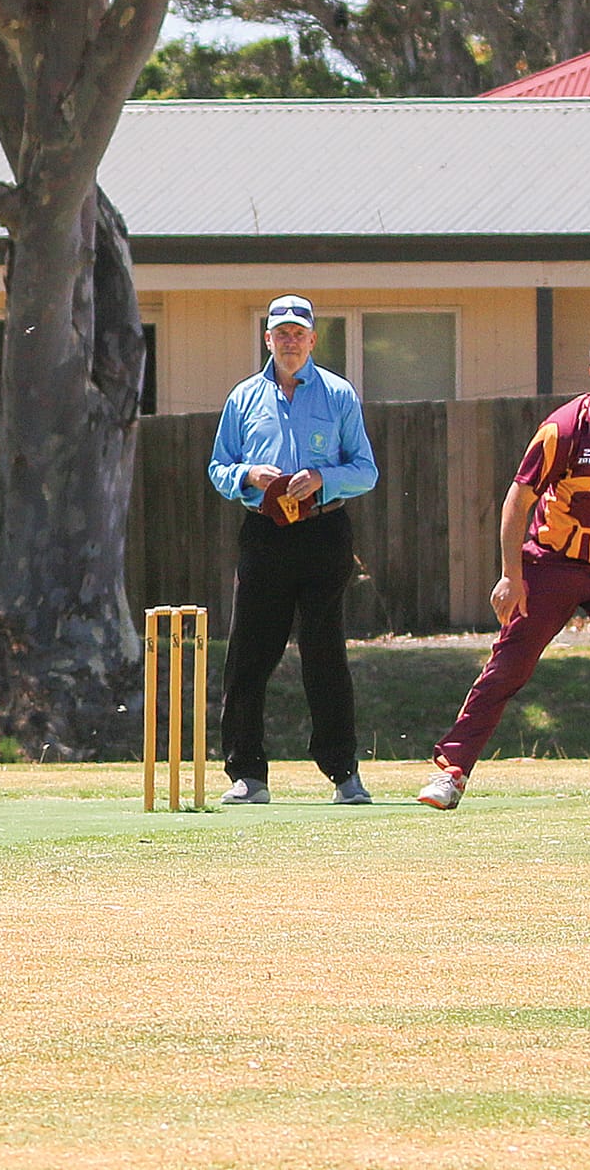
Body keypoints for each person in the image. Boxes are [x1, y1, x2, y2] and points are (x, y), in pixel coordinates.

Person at [417, 330, 590, 810]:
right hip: (553, 563)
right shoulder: (563, 429)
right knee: (511, 665)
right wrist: (510, 574)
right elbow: (517, 499)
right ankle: (452, 772)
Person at [206, 294, 380, 805]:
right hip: (264, 532)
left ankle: (344, 774)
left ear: (312, 339)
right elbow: (218, 466)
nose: (289, 341)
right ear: (267, 339)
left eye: (298, 333)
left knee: (324, 653)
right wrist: (247, 475)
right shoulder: (243, 398)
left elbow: (365, 470)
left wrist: (323, 478)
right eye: (280, 333)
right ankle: (247, 775)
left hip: (324, 532)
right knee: (248, 655)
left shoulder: (338, 394)